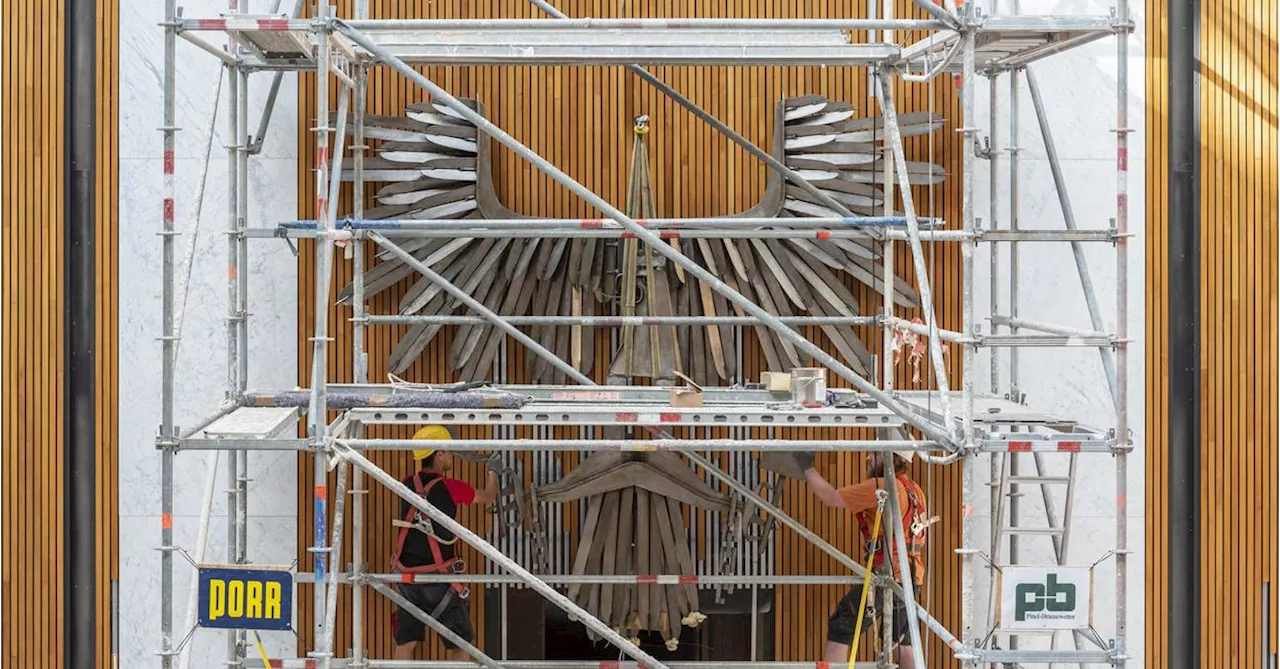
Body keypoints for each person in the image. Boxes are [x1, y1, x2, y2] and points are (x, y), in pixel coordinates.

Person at [796, 450, 931, 669]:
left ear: (891, 457)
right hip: (910, 575)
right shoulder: (915, 490)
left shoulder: (884, 485)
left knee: (842, 626)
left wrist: (806, 467)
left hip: (885, 574)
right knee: (905, 639)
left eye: (875, 454)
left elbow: (831, 498)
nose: (868, 458)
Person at [391, 425, 500, 661]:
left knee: (406, 642)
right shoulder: (451, 487)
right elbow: (488, 497)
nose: (451, 456)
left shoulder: (404, 484)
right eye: (449, 451)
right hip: (441, 581)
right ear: (438, 454)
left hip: (408, 577)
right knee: (462, 645)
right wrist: (494, 472)